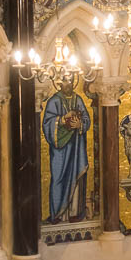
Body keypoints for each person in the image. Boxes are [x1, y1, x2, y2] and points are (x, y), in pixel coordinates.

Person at [42, 72, 91, 224]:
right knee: (58, 178)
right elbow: (47, 124)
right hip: (60, 151)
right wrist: (63, 119)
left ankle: (75, 213)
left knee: (77, 175)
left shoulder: (78, 99)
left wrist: (80, 124)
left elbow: (87, 119)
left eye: (70, 81)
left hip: (76, 148)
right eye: (65, 81)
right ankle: (57, 213)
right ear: (59, 83)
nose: (68, 84)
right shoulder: (53, 101)